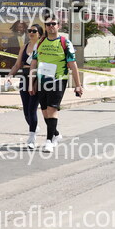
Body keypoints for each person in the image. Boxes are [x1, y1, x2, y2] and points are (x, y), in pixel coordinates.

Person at [28, 15, 83, 153]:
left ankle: (49, 141)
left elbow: (73, 64)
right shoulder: (40, 42)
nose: (51, 26)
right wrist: (30, 83)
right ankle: (56, 134)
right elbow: (34, 63)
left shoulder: (65, 42)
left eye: (53, 24)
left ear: (59, 26)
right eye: (48, 24)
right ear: (45, 27)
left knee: (52, 110)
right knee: (45, 111)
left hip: (58, 79)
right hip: (42, 80)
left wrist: (78, 84)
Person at [7, 23, 43, 149]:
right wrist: (10, 75)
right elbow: (18, 64)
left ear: (39, 34)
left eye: (34, 31)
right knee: (26, 110)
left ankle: (32, 138)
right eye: (29, 31)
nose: (31, 33)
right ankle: (34, 127)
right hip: (24, 78)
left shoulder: (42, 47)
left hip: (37, 78)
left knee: (32, 109)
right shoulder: (25, 46)